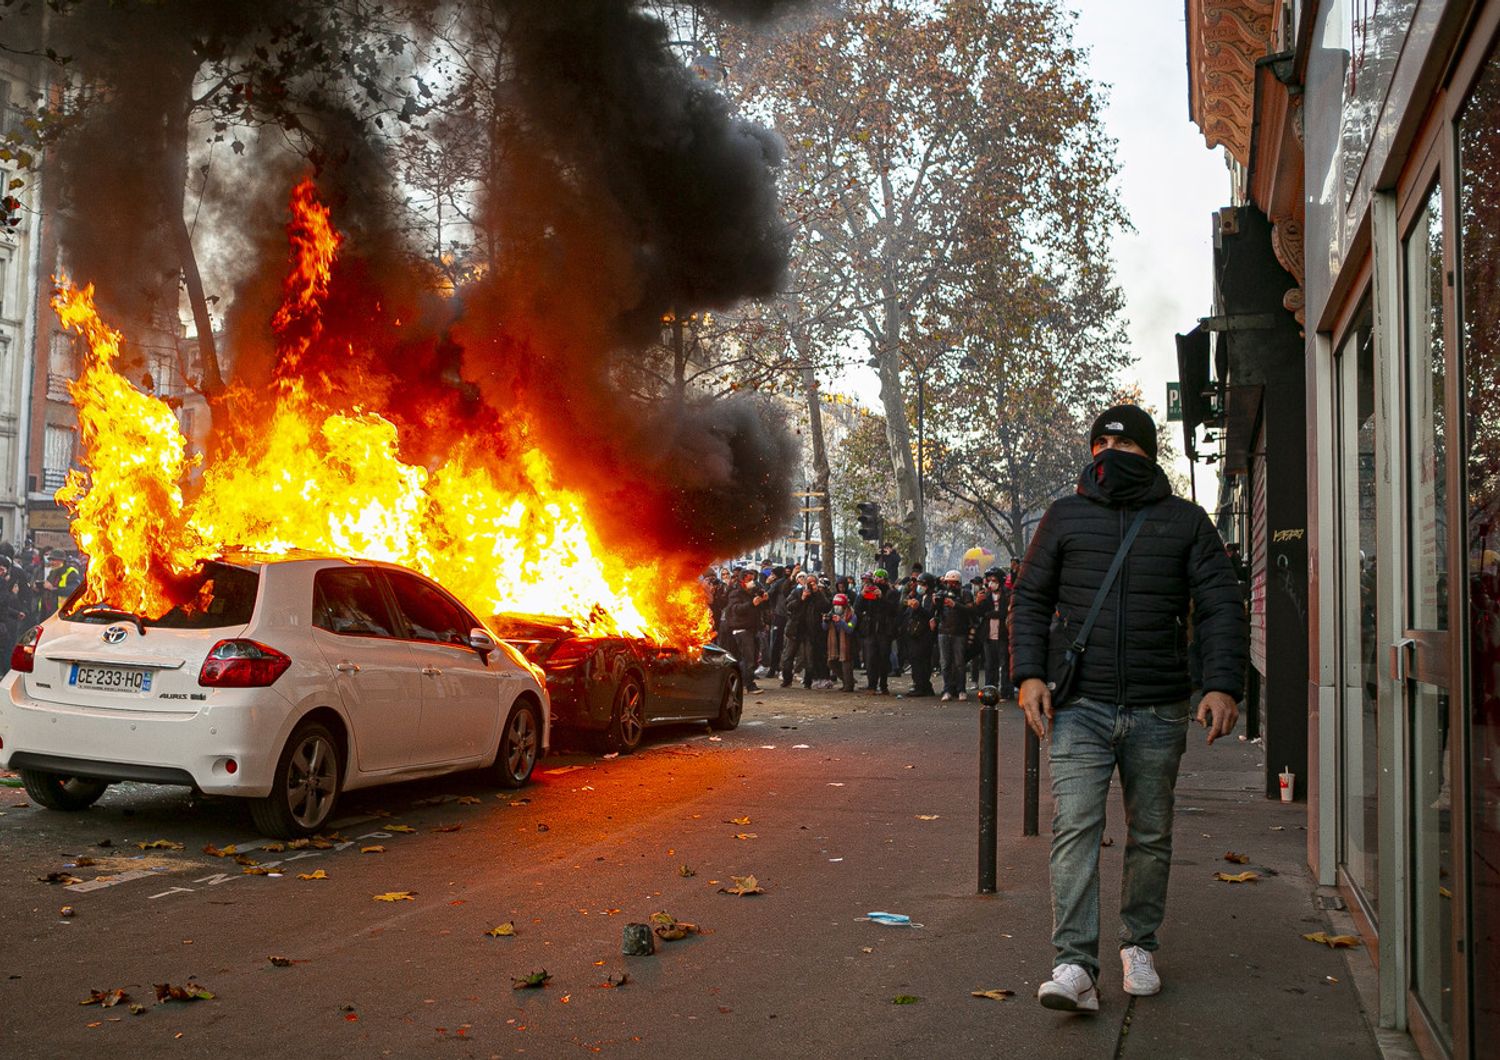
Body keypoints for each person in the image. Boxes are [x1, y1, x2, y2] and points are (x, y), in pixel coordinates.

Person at [1008, 403, 1247, 1013]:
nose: (1110, 457)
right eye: (1100, 447)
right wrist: (1029, 673)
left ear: (1148, 452)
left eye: (1125, 448)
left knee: (1150, 832)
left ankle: (1138, 944)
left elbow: (1221, 604)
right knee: (1076, 827)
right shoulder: (1063, 518)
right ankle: (1074, 966)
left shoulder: (1187, 522)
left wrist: (1222, 685)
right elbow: (1030, 599)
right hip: (1079, 704)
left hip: (1159, 706)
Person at [721, 568, 770, 693]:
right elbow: (736, 609)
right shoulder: (736, 593)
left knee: (752, 658)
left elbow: (762, 608)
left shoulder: (753, 592)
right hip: (741, 629)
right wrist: (751, 604)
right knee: (748, 658)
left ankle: (743, 681)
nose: (752, 582)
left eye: (753, 580)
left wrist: (763, 600)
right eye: (749, 580)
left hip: (753, 628)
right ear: (743, 580)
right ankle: (749, 685)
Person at [855, 568, 898, 694]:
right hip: (870, 630)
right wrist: (862, 595)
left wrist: (881, 597)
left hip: (884, 630)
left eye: (880, 578)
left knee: (884, 658)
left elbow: (893, 610)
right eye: (876, 578)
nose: (877, 580)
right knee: (870, 658)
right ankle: (871, 685)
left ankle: (883, 685)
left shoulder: (892, 593)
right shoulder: (870, 592)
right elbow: (857, 608)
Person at [934, 569, 972, 701]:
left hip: (959, 632)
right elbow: (936, 610)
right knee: (945, 663)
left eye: (953, 583)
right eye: (948, 583)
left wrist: (955, 605)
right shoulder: (942, 593)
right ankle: (947, 689)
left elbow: (970, 610)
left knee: (959, 662)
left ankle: (961, 689)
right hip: (943, 631)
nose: (951, 586)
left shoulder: (965, 594)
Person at [975, 566, 1011, 697]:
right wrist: (978, 603)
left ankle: (1006, 691)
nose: (991, 582)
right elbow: (980, 613)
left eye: (994, 580)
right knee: (989, 665)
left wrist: (991, 614)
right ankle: (990, 690)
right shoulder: (986, 595)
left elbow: (1006, 613)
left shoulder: (1008, 595)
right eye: (989, 580)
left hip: (1002, 634)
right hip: (988, 635)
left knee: (1004, 664)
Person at [901, 572, 937, 697]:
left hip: (924, 634)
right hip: (913, 633)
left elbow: (930, 614)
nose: (919, 586)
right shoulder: (917, 596)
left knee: (922, 661)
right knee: (915, 660)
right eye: (919, 583)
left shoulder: (932, 598)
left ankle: (922, 686)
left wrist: (918, 608)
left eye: (923, 584)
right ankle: (921, 685)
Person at [823, 592, 858, 692]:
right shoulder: (831, 613)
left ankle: (849, 685)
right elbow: (824, 628)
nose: (837, 608)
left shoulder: (852, 615)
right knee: (831, 663)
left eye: (839, 606)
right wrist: (825, 620)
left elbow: (850, 629)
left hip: (848, 644)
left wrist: (840, 621)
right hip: (835, 643)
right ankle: (846, 681)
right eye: (835, 605)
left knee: (846, 665)